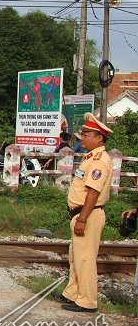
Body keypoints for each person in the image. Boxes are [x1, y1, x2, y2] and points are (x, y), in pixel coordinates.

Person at [61, 113, 114, 313]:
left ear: (99, 137)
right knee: (76, 257)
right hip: (82, 214)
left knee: (85, 259)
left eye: (86, 134)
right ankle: (74, 294)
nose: (82, 137)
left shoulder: (100, 160)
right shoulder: (90, 157)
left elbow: (93, 192)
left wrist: (82, 218)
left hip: (88, 215)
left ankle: (87, 301)